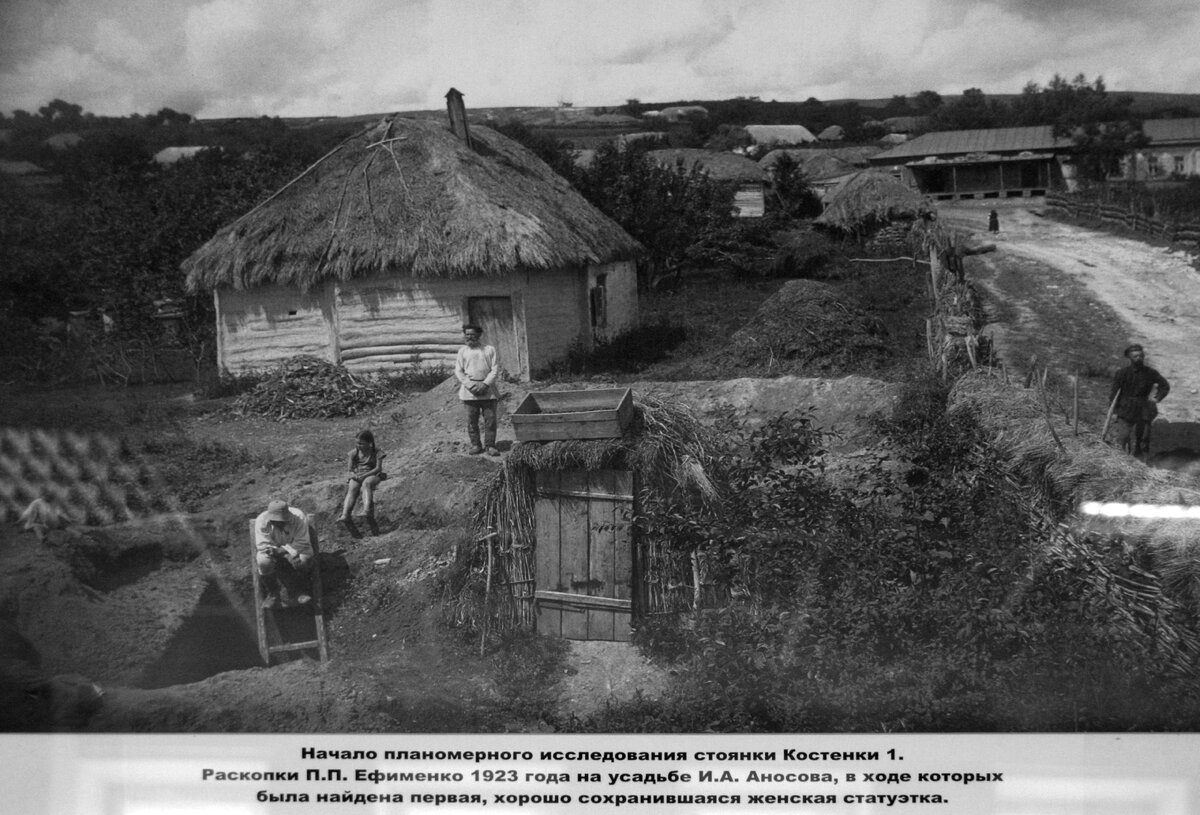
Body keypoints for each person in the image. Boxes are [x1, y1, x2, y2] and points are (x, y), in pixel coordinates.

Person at [1109, 343, 1170, 457]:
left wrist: (1157, 398)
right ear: (1129, 358)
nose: (1139, 358)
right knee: (1123, 436)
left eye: (1141, 356)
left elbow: (1165, 386)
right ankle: (1122, 459)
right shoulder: (1122, 373)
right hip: (1125, 408)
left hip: (1144, 409)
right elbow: (1114, 394)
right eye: (1135, 356)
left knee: (1143, 438)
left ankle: (1141, 460)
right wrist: (1114, 411)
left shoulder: (1150, 373)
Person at [254, 499, 316, 608]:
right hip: (274, 549)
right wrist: (275, 551)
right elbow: (263, 545)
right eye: (275, 521)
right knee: (263, 562)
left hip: (296, 547)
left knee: (304, 560)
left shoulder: (298, 517)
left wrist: (287, 552)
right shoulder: (261, 521)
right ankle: (273, 593)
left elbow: (302, 541)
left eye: (282, 520)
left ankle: (300, 591)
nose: (279, 523)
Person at [454, 324, 501, 456]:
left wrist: (485, 384)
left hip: (488, 390)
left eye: (472, 334)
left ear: (479, 335)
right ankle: (476, 445)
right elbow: (458, 371)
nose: (469, 337)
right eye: (467, 334)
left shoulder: (489, 350)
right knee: (471, 420)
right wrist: (470, 385)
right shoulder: (462, 351)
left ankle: (490, 445)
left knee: (490, 419)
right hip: (470, 392)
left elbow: (495, 369)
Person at [338, 429, 386, 533]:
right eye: (357, 443)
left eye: (361, 443)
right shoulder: (353, 453)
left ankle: (366, 510)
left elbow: (378, 468)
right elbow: (350, 469)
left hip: (372, 474)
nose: (358, 445)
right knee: (352, 488)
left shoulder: (377, 452)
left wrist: (365, 475)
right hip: (358, 475)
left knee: (366, 484)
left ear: (369, 443)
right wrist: (354, 475)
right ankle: (345, 514)